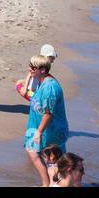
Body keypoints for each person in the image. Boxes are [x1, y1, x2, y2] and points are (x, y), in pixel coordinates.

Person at [24, 54, 69, 186]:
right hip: (41, 127)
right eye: (30, 66)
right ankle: (49, 183)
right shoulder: (41, 81)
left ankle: (49, 183)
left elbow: (48, 113)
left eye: (33, 67)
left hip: (50, 129)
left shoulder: (50, 87)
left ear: (42, 70)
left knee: (52, 159)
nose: (30, 69)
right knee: (38, 153)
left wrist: (39, 132)